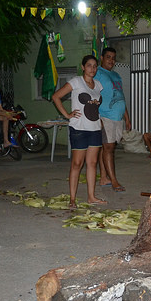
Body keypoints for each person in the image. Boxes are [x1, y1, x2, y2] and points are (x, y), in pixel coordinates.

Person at [52, 55, 107, 208]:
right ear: (83, 67)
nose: (92, 69)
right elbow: (56, 97)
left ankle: (91, 197)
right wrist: (67, 115)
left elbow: (95, 105)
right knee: (77, 163)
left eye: (95, 66)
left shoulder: (98, 85)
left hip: (95, 128)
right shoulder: (76, 81)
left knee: (92, 163)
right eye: (89, 65)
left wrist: (99, 118)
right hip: (79, 128)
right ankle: (72, 199)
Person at [95, 47, 131, 192]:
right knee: (109, 148)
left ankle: (104, 178)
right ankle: (114, 181)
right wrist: (98, 118)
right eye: (108, 57)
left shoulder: (116, 75)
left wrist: (127, 118)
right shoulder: (97, 73)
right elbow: (93, 94)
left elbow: (120, 96)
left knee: (107, 148)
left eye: (113, 58)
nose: (111, 60)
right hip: (105, 115)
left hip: (118, 117)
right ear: (102, 58)